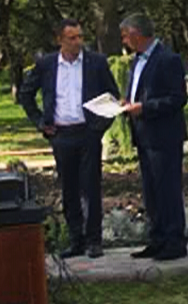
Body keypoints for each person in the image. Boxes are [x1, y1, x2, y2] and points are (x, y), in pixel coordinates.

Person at [15, 18, 119, 259]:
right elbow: (26, 94)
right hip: (61, 134)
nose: (77, 42)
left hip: (87, 132)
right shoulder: (47, 64)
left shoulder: (95, 62)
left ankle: (94, 240)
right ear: (59, 40)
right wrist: (41, 122)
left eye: (80, 37)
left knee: (91, 187)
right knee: (69, 188)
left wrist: (99, 127)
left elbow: (112, 96)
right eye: (72, 38)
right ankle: (76, 240)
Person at [120, 13, 188, 261]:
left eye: (125, 36)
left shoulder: (168, 59)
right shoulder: (137, 60)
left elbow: (178, 98)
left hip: (164, 136)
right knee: (151, 191)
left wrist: (145, 108)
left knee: (167, 189)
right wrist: (127, 103)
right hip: (144, 134)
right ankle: (157, 238)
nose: (124, 41)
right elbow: (141, 91)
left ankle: (174, 241)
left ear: (136, 34)